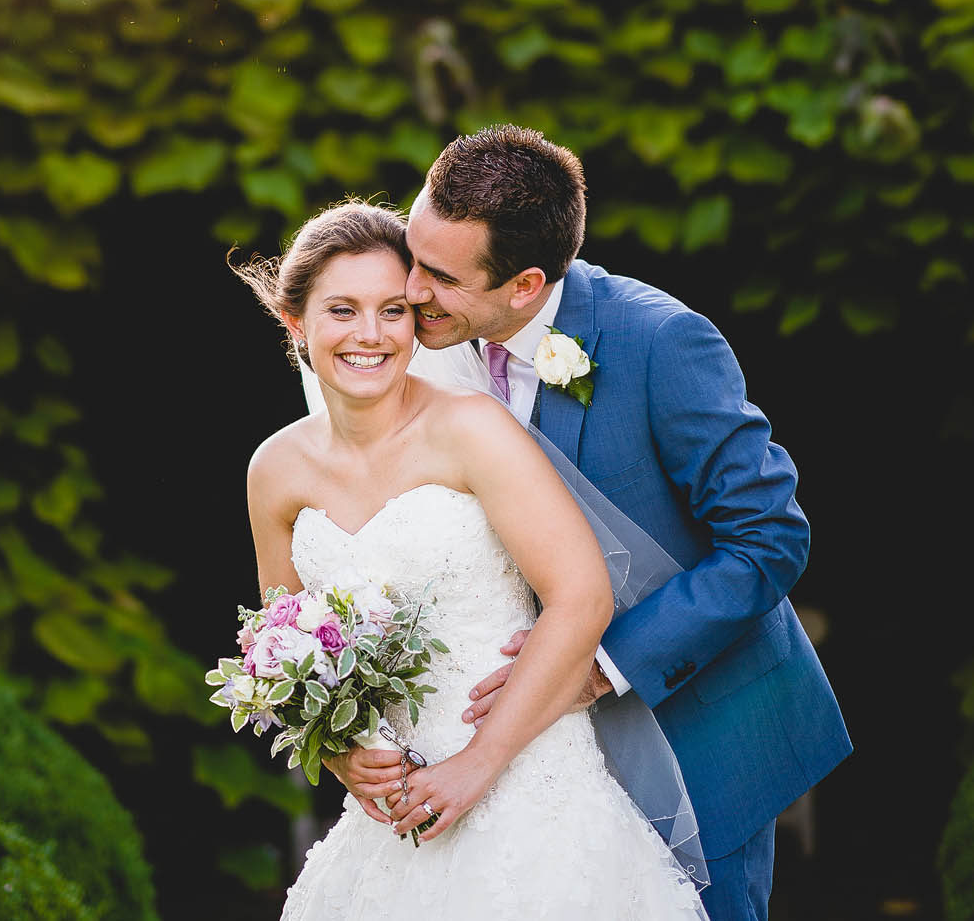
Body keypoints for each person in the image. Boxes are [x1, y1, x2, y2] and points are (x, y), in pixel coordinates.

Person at [324, 125, 852, 921]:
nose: (410, 285)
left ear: (525, 284)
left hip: (693, 729)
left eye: (438, 273)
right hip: (520, 759)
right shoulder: (417, 346)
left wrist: (602, 663)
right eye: (413, 246)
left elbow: (771, 538)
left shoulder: (660, 342)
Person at [237, 200, 709, 920]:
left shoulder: (471, 431)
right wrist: (341, 756)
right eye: (342, 310)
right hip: (394, 818)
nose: (370, 334)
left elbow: (583, 595)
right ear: (296, 323)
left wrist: (476, 765)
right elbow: (286, 642)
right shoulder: (274, 469)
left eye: (392, 310)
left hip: (527, 788)